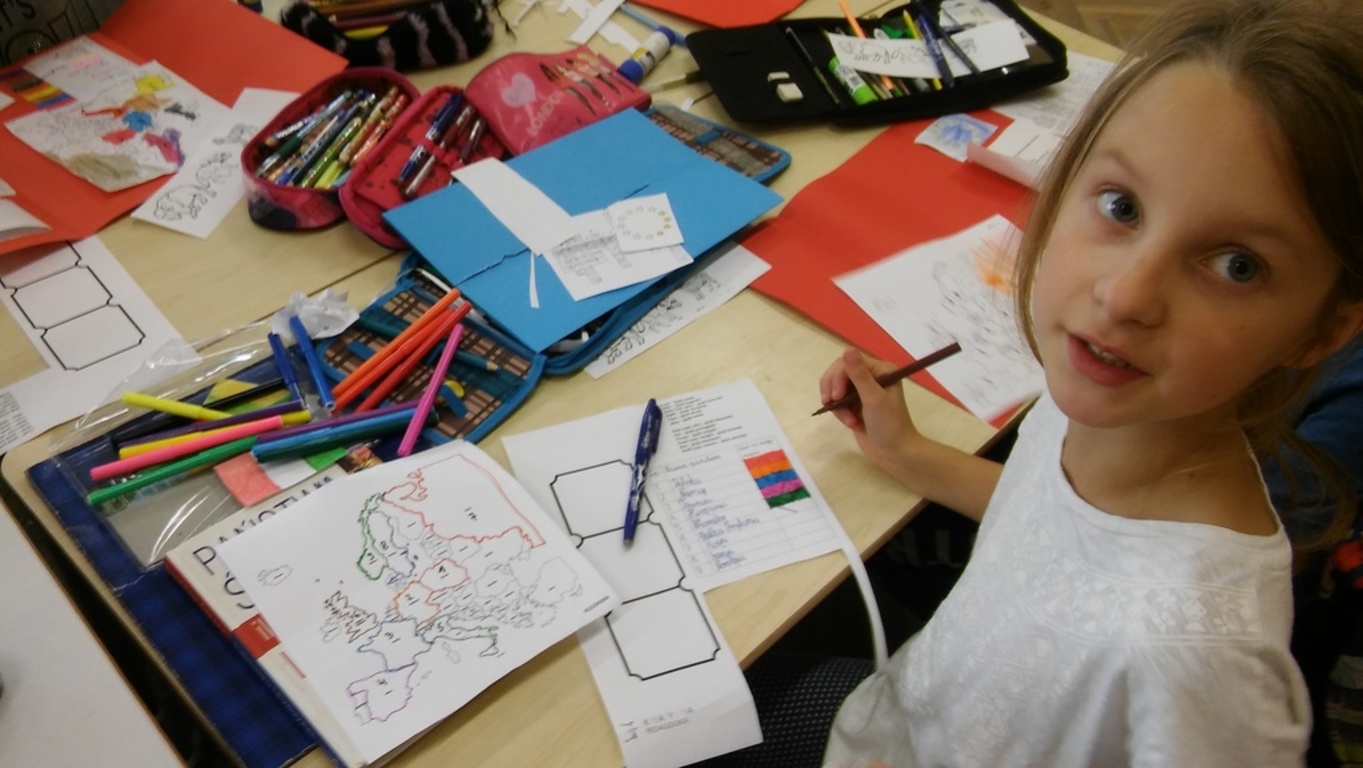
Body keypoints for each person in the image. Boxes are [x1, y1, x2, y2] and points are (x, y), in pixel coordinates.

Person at [703, 0, 1363, 765]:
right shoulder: (1110, 405)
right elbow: (1055, 530)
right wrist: (909, 453)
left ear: (1322, 331)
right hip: (901, 722)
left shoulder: (1194, 663)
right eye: (1120, 206)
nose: (1124, 296)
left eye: (1236, 265)